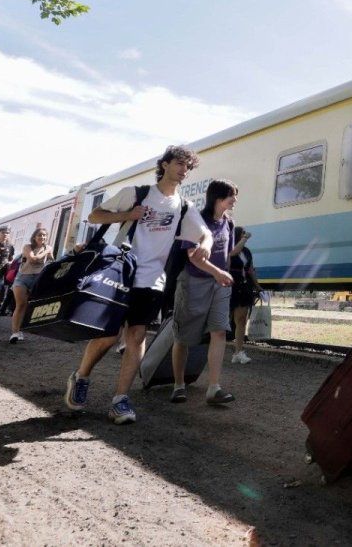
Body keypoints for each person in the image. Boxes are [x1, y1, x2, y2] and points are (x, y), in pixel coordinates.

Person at [64, 145, 212, 425]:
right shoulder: (136, 193)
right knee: (108, 336)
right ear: (165, 164)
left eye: (187, 167)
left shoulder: (184, 206)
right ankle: (81, 376)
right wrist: (127, 216)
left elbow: (204, 234)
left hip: (152, 279)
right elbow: (95, 216)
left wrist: (204, 245)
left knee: (136, 336)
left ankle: (120, 400)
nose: (183, 170)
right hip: (120, 273)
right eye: (179, 163)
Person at [169, 179, 238, 405]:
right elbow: (193, 256)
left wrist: (223, 275)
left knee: (219, 331)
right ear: (218, 198)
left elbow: (227, 254)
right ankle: (179, 385)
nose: (235, 200)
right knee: (184, 337)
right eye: (231, 196)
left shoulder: (228, 223)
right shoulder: (196, 220)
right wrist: (218, 272)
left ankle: (214, 388)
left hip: (219, 285)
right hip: (194, 282)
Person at [9, 228, 51, 344]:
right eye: (39, 235)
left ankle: (21, 328)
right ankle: (15, 333)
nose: (42, 237)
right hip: (22, 278)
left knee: (29, 305)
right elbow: (33, 259)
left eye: (44, 236)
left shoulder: (48, 248)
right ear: (34, 237)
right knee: (21, 304)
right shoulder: (28, 247)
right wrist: (46, 251)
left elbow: (52, 261)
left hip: (37, 279)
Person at [228, 226, 258, 365]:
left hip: (243, 286)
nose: (245, 235)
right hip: (228, 286)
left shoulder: (246, 251)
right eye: (242, 233)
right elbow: (234, 253)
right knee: (223, 321)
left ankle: (238, 352)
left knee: (241, 320)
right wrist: (244, 239)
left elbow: (250, 269)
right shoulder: (229, 249)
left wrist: (257, 286)